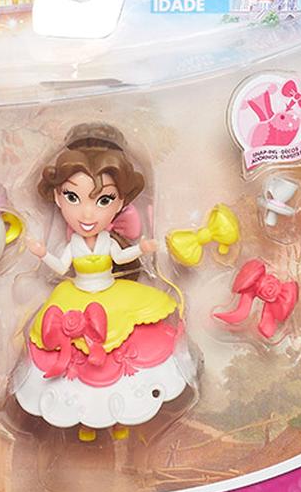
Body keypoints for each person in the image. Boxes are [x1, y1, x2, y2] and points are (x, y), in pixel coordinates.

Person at [15, 123, 191, 442]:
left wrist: (142, 248)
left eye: (104, 200)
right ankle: (85, 419)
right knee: (77, 357)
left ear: (121, 202)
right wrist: (43, 254)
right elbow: (61, 266)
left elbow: (122, 257)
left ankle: (123, 414)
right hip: (75, 295)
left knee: (123, 348)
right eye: (73, 196)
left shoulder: (108, 241)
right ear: (57, 197)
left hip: (113, 295)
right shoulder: (74, 244)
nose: (87, 213)